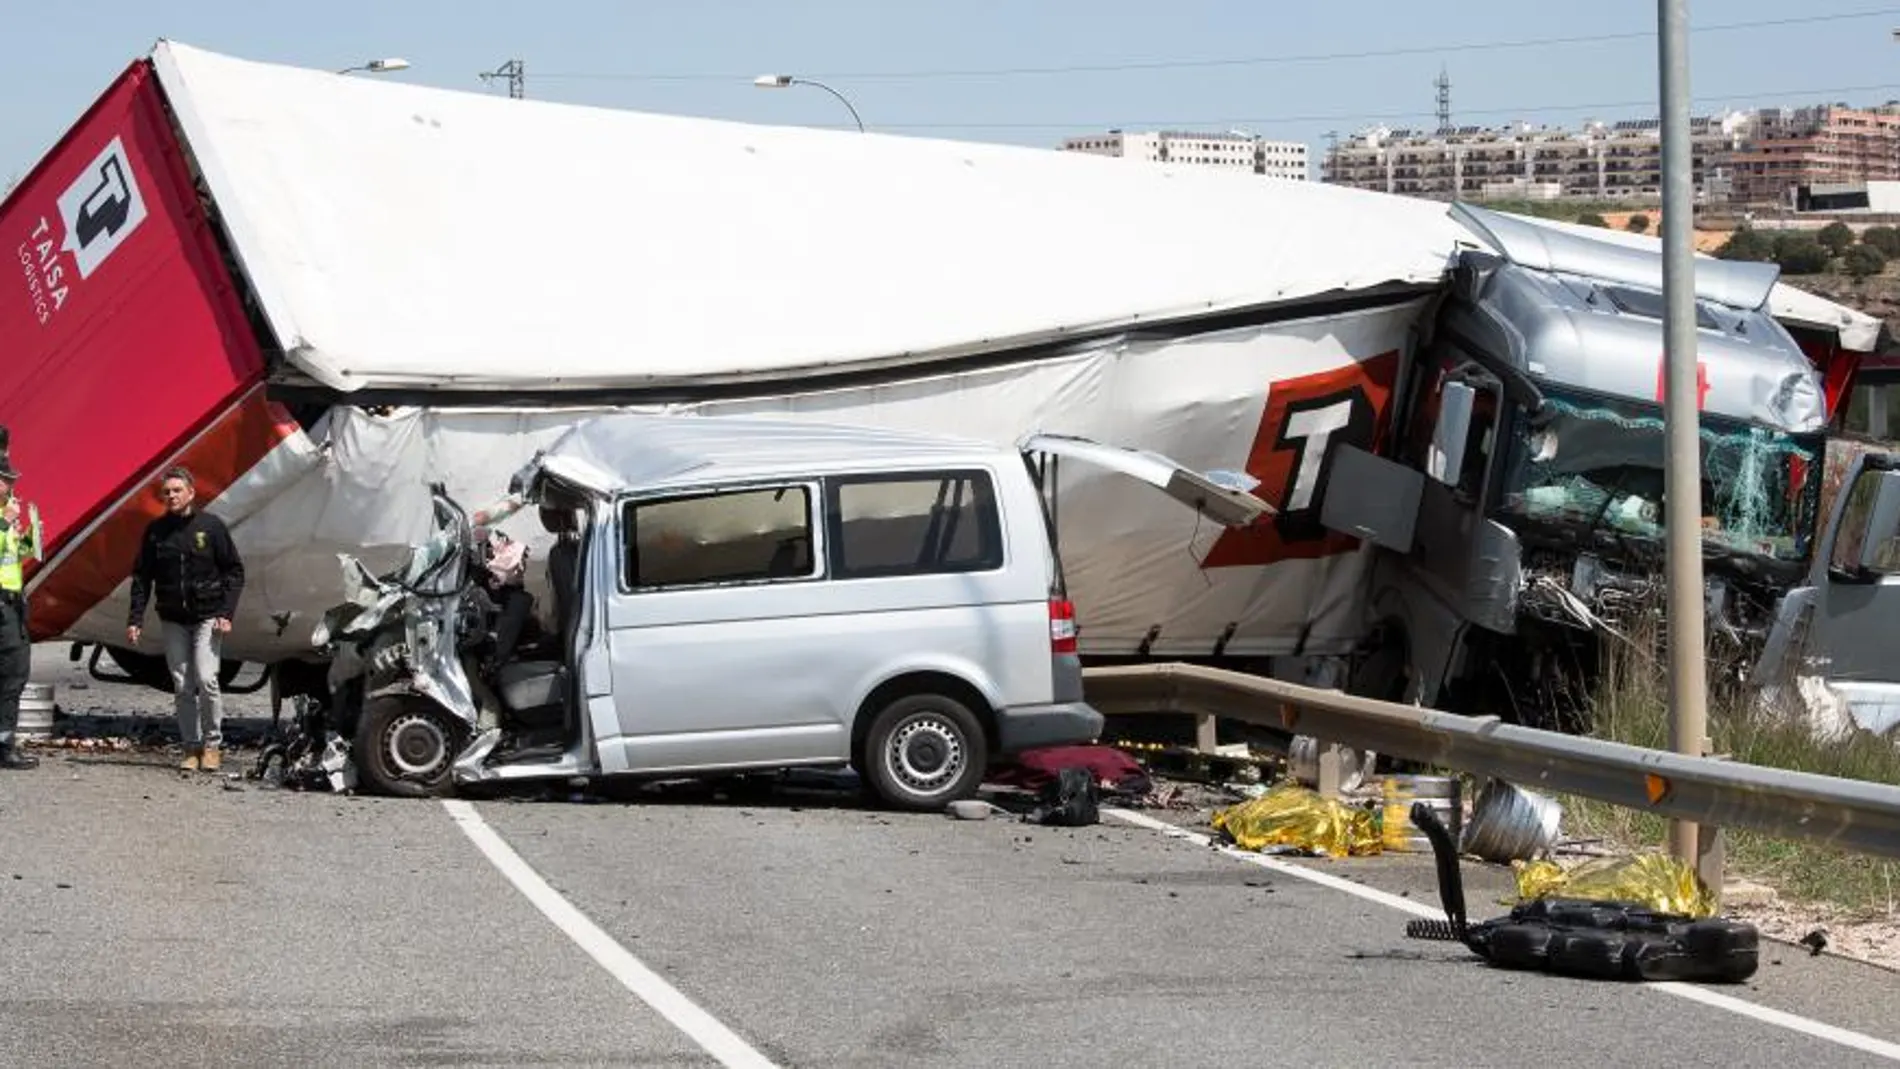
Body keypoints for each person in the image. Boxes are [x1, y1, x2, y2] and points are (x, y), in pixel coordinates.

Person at [126, 467, 245, 773]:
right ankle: (191, 746)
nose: (172, 496)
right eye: (166, 492)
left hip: (208, 616)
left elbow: (234, 571)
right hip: (173, 619)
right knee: (182, 684)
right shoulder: (156, 532)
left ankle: (213, 745)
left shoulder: (211, 527)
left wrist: (226, 613)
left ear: (191, 493)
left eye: (177, 490)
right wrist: (135, 618)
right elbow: (142, 578)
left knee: (207, 679)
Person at [0, 453, 41, 770]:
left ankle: (4, 743)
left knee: (14, 674)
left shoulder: (6, 515)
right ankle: (4, 748)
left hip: (12, 601)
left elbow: (14, 556)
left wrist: (29, 536)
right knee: (12, 673)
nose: (12, 487)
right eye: (7, 481)